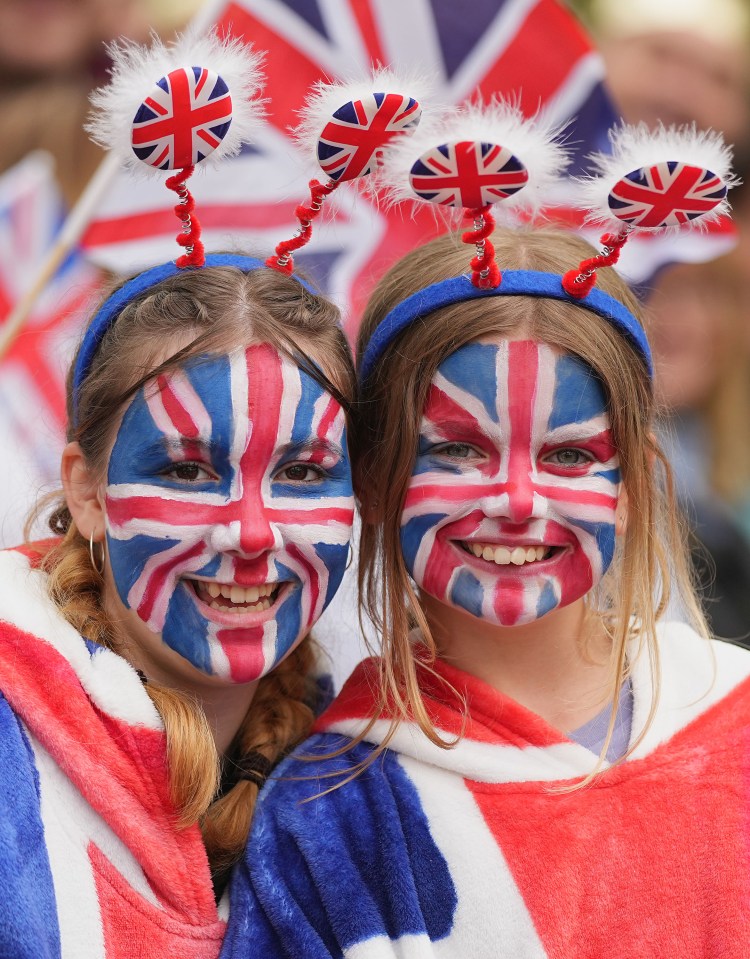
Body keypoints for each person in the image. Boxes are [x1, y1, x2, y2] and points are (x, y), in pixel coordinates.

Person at [221, 228, 750, 957]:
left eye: (568, 454)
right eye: (460, 449)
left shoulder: (731, 716)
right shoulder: (330, 819)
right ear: (374, 478)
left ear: (630, 485)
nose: (518, 499)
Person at [0, 254, 355, 958]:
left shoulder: (352, 781)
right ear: (87, 493)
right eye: (187, 469)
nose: (253, 533)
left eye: (302, 472)